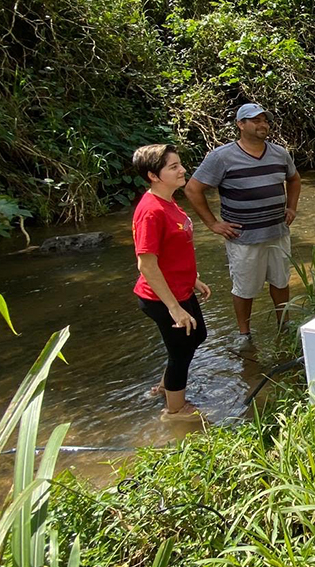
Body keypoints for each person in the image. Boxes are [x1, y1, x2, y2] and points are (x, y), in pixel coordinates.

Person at [184, 103, 301, 346]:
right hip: (243, 237)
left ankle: (284, 325)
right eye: (255, 120)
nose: (263, 125)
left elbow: (294, 179)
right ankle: (244, 334)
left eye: (265, 120)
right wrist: (213, 224)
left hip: (277, 231)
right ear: (240, 125)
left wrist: (291, 207)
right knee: (245, 288)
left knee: (281, 281)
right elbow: (192, 189)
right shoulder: (221, 157)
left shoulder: (279, 153)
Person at [132, 144, 212, 422]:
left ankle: (166, 386)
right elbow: (147, 264)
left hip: (180, 289)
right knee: (181, 349)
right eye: (173, 167)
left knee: (197, 335)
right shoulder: (151, 211)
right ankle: (175, 411)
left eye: (180, 164)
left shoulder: (168, 200)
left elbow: (172, 250)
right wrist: (174, 309)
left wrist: (193, 279)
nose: (183, 170)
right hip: (161, 298)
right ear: (154, 175)